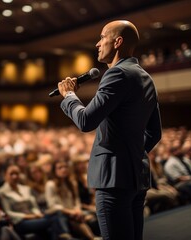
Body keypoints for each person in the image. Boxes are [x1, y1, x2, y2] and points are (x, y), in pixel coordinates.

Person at [57, 20, 162, 240]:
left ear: (118, 42)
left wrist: (69, 96)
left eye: (102, 37)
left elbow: (86, 121)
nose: (97, 43)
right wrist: (131, 155)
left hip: (113, 180)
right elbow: (154, 132)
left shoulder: (117, 74)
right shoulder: (146, 77)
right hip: (136, 176)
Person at [0, 164, 74, 240]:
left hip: (34, 217)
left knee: (57, 213)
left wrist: (36, 213)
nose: (15, 176)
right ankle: (66, 237)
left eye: (17, 173)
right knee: (53, 221)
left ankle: (65, 236)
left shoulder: (25, 188)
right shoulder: (1, 192)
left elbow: (33, 206)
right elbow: (8, 212)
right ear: (5, 175)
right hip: (20, 222)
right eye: (11, 174)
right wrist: (28, 216)